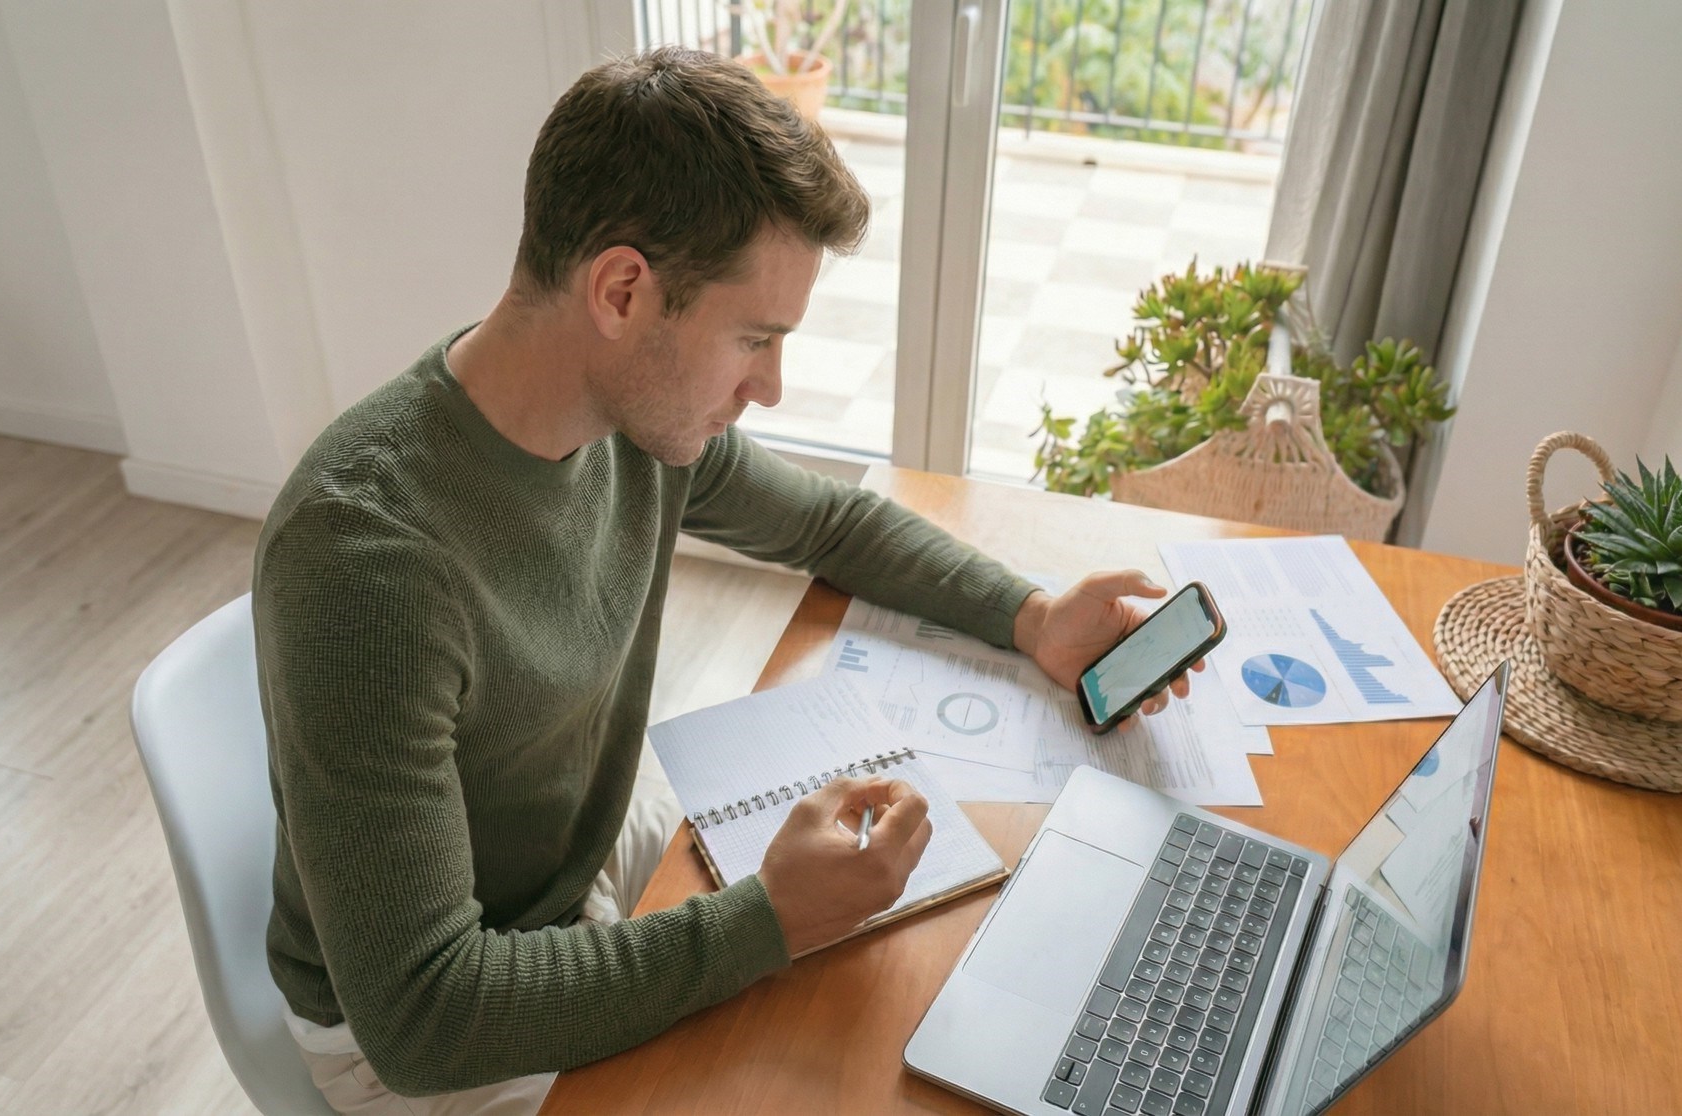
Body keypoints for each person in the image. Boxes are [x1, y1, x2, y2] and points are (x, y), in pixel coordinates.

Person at [252, 46, 1200, 1116]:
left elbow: (831, 522)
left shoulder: (624, 429)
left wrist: (1027, 615)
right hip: (431, 1029)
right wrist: (766, 921)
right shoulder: (367, 562)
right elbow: (426, 1016)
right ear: (621, 290)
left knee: (914, 965)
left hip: (580, 864)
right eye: (752, 337)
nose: (771, 385)